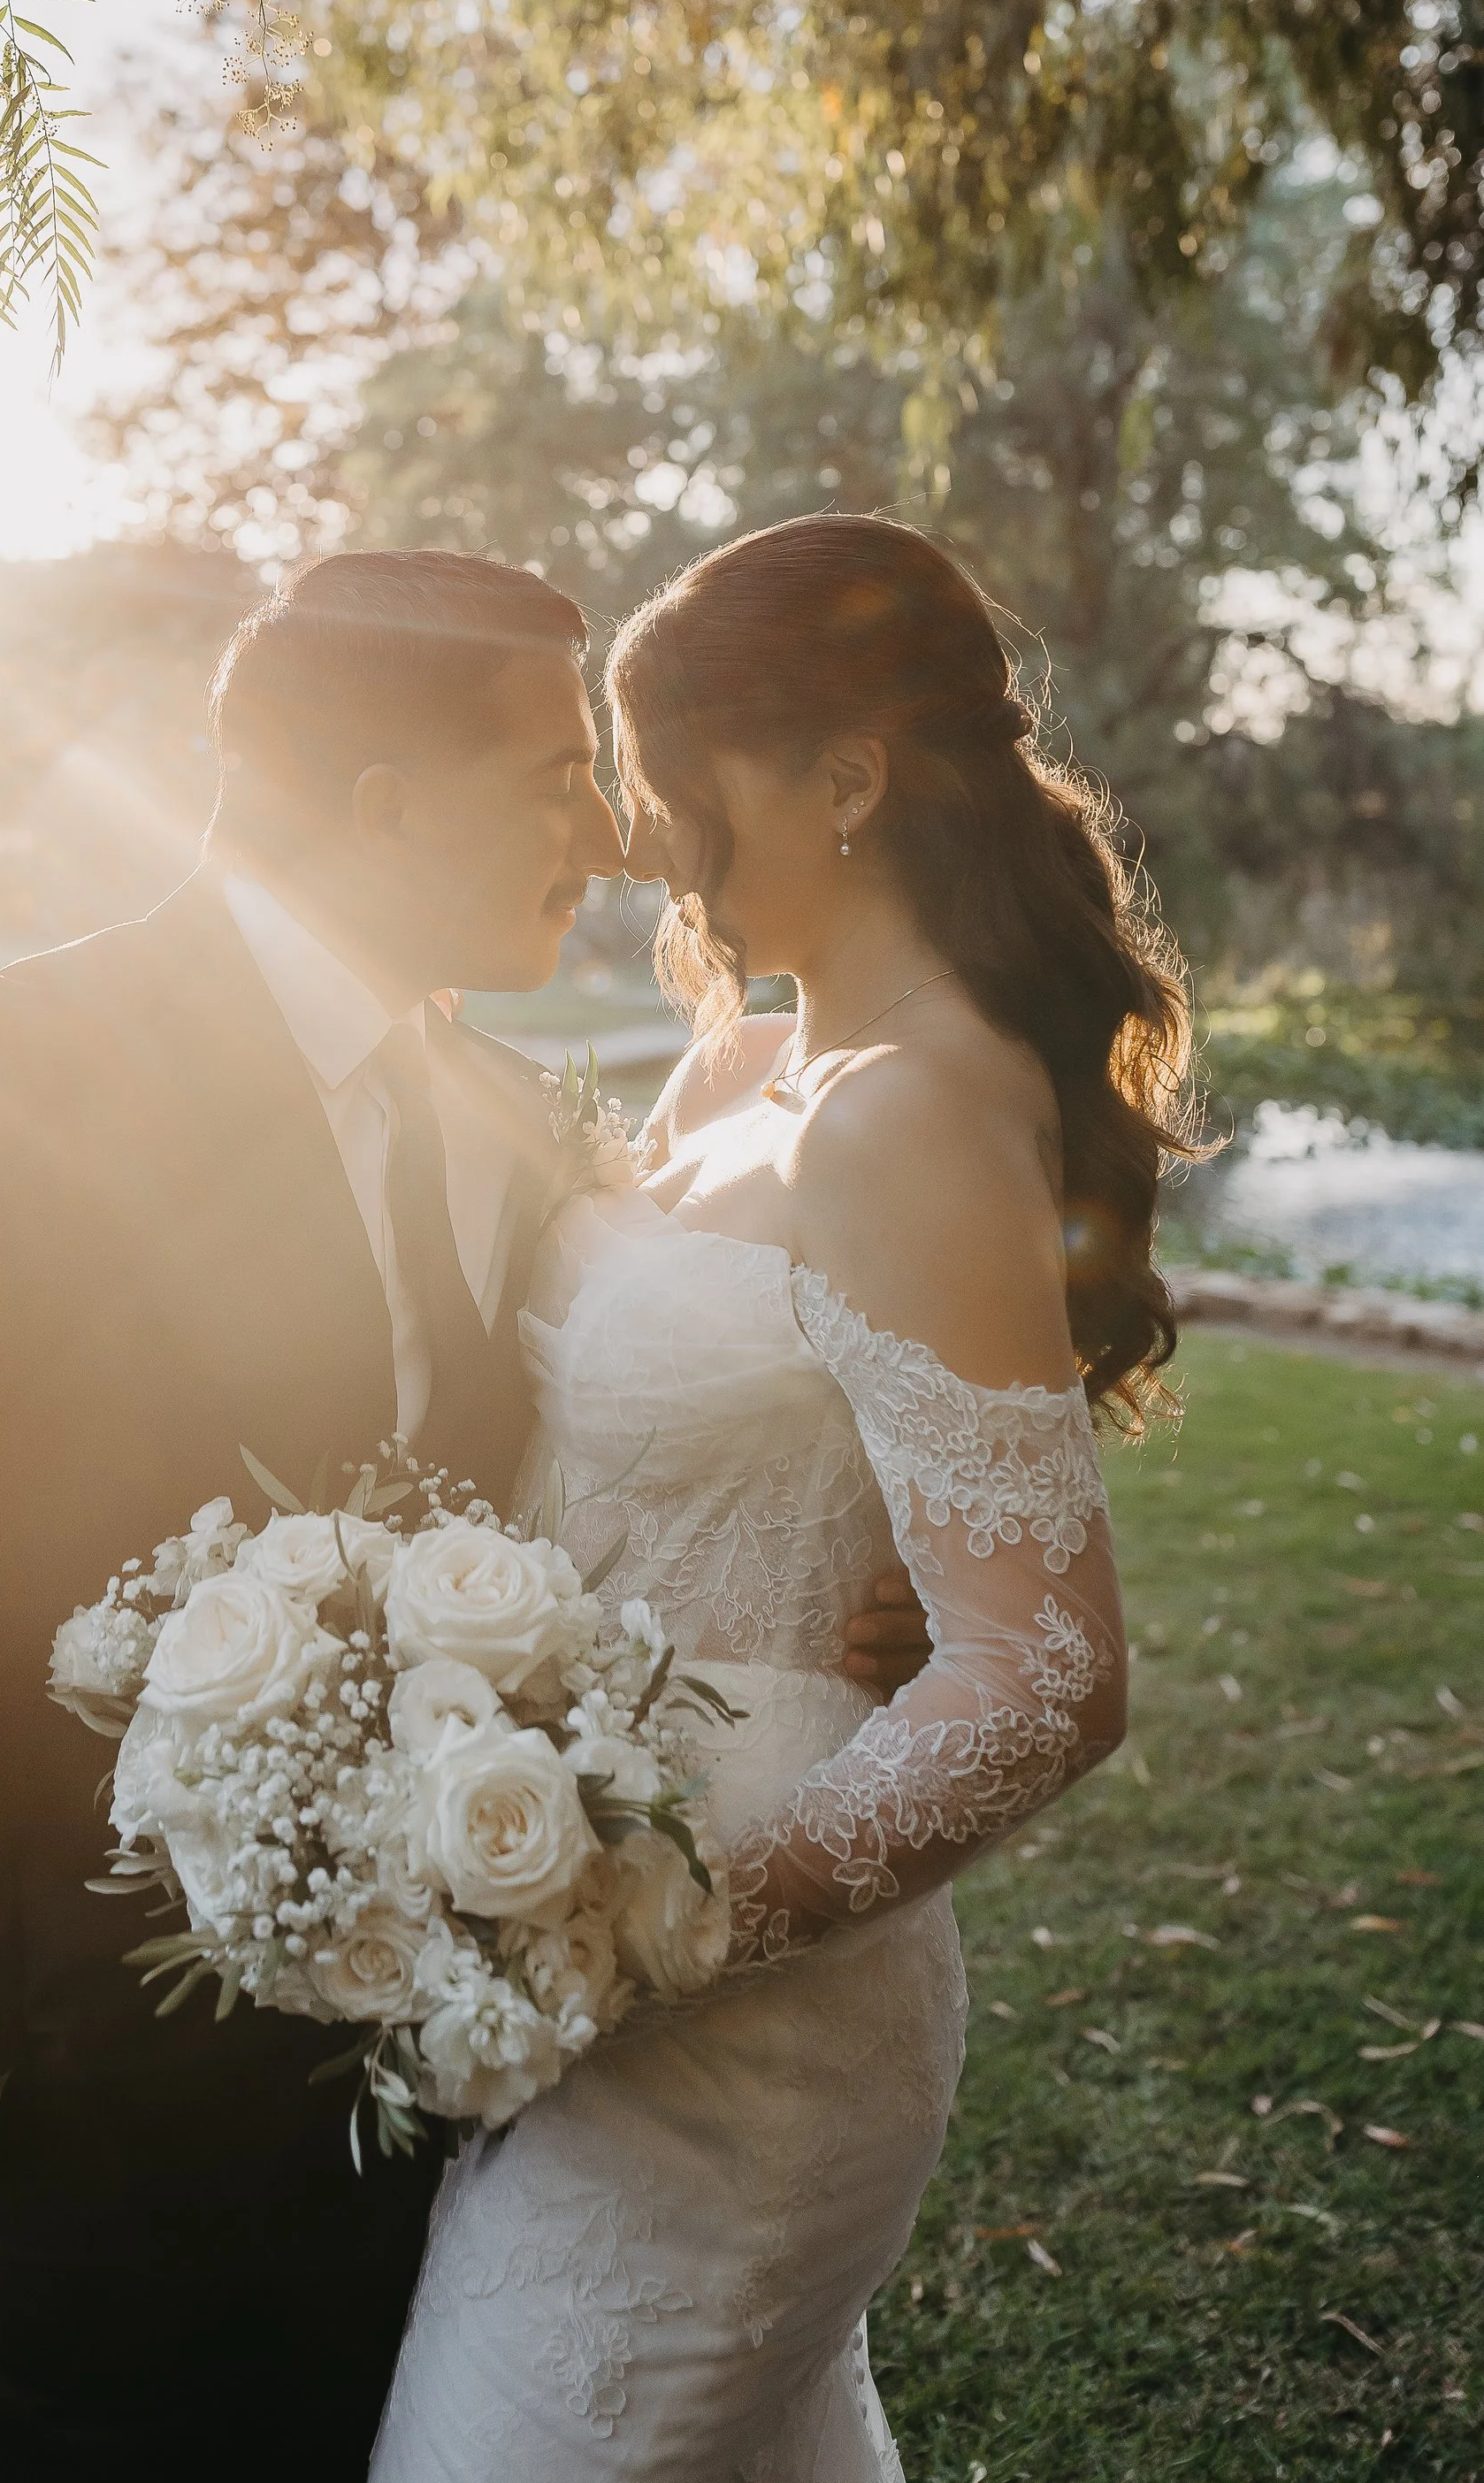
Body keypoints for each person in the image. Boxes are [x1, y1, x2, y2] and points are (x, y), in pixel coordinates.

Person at [0, 546, 938, 2481]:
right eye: (550, 772)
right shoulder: (8, 1057)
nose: (609, 836)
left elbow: (601, 1478)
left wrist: (861, 1578)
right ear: (380, 800)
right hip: (68, 2130)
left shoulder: (512, 1109)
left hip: (421, 2098)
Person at [373, 515, 1195, 2482]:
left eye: (666, 781)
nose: (638, 840)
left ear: (846, 774)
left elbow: (1042, 1678)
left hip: (746, 2033)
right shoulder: (741, 1060)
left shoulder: (916, 1109)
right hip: (584, 1948)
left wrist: (667, 1925)